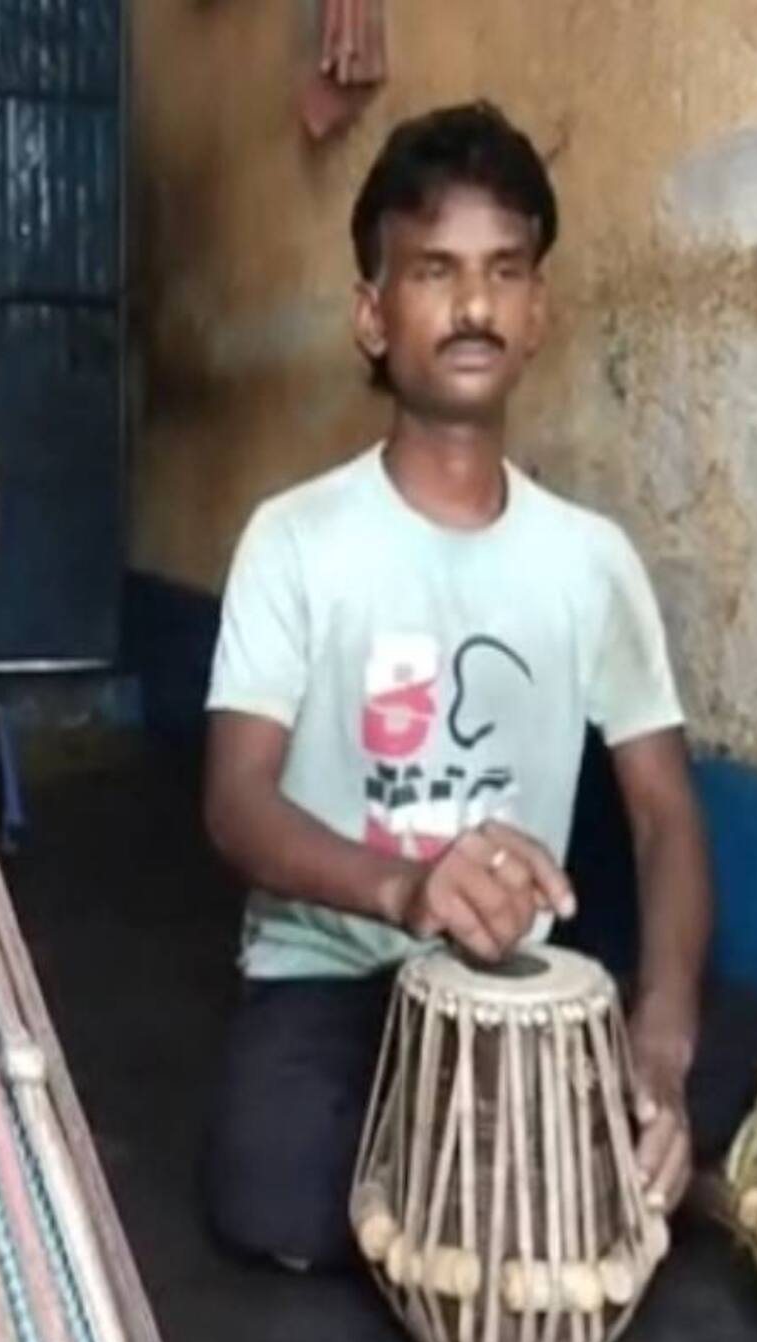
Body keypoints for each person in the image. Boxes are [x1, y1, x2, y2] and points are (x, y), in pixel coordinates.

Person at [200, 100, 713, 1272]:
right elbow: (235, 801)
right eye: (433, 272)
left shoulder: (590, 562)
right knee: (273, 1197)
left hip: (515, 988)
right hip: (329, 973)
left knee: (678, 1124)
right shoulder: (295, 540)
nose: (472, 305)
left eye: (502, 271)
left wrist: (661, 1045)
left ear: (538, 312)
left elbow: (664, 815)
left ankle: (495, 1164)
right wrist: (402, 890)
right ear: (373, 316)